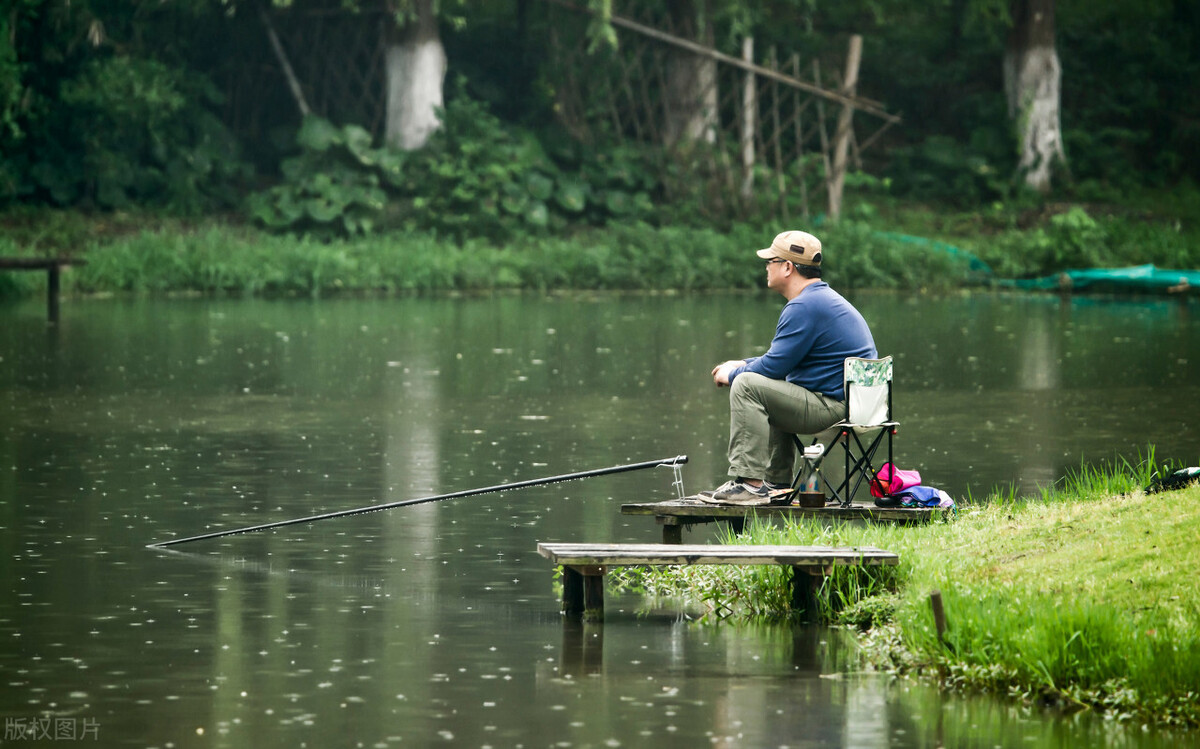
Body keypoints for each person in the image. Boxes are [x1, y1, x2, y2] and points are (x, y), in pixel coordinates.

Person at [704, 230, 877, 505]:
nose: (766, 266)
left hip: (834, 407)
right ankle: (775, 483)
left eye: (771, 260)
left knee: (747, 386)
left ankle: (749, 484)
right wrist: (744, 363)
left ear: (787, 267)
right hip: (857, 406)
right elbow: (783, 361)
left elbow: (772, 367)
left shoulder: (804, 306)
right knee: (763, 384)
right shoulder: (820, 300)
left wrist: (735, 373)